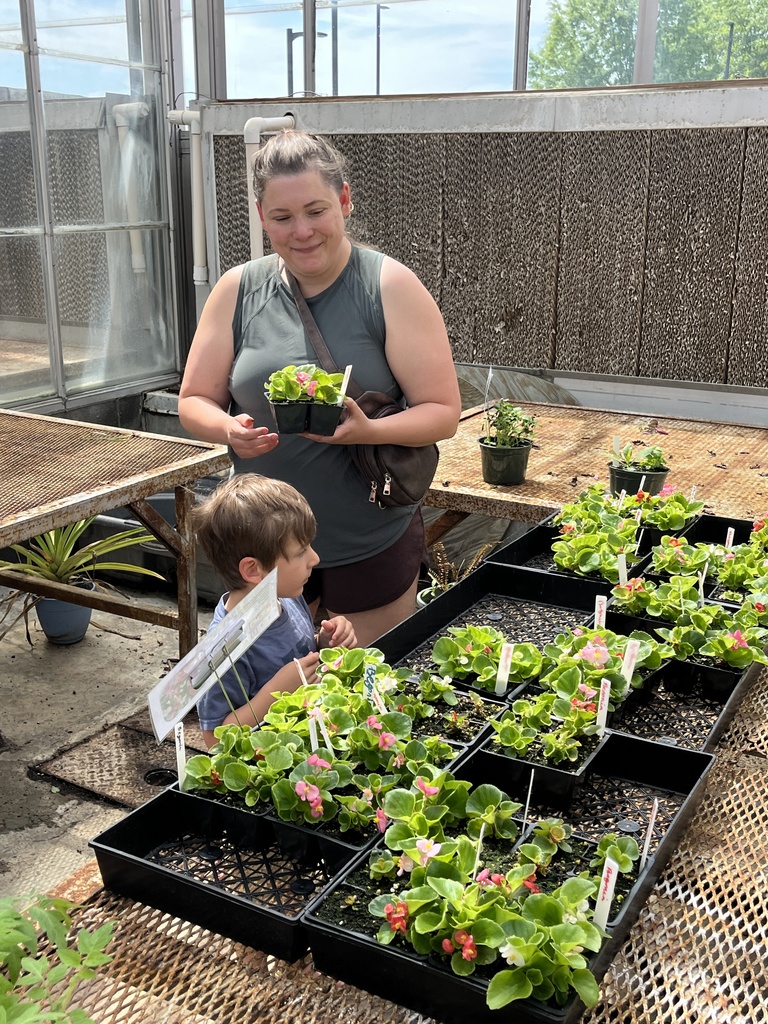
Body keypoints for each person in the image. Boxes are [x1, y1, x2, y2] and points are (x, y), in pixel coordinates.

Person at [179, 128, 461, 647]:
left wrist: (366, 430)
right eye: (282, 218)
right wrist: (228, 428)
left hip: (367, 538)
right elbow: (193, 399)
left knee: (366, 690)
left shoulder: (390, 286)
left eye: (315, 211)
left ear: (345, 201)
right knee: (275, 702)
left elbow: (442, 411)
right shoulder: (238, 290)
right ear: (263, 218)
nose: (301, 231)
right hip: (264, 546)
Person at [191, 474, 357, 748]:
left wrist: (324, 644)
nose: (315, 559)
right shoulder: (222, 649)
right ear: (254, 570)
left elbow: (296, 654)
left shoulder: (287, 599)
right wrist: (277, 692)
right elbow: (213, 739)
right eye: (301, 551)